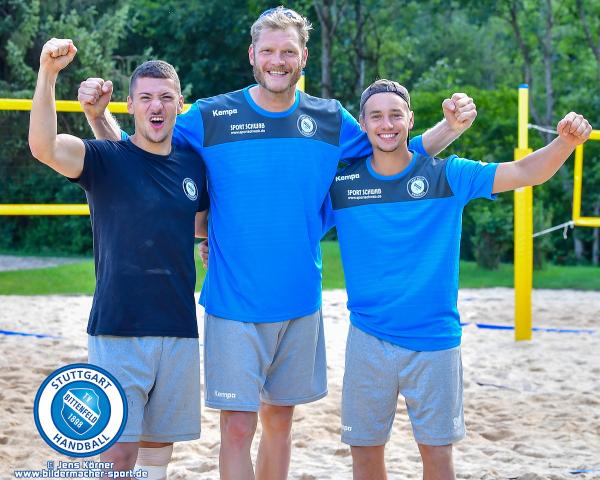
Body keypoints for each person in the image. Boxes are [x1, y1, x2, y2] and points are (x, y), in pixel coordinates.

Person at [77, 7, 476, 480]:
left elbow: (392, 151)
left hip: (299, 303)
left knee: (279, 424)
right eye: (268, 50)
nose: (277, 59)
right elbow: (139, 154)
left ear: (303, 56)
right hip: (233, 304)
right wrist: (97, 118)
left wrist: (448, 129)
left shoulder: (330, 119)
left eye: (288, 50)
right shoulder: (211, 115)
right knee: (238, 428)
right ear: (252, 55)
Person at [328, 79, 592, 480]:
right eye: (377, 116)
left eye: (396, 114)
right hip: (368, 338)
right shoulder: (342, 187)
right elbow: (290, 225)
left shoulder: (448, 174)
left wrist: (566, 143)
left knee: (437, 457)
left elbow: (525, 171)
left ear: (411, 120)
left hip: (434, 341)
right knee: (364, 454)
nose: (387, 124)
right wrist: (211, 242)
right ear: (362, 125)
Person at [29, 38, 209, 479]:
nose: (157, 105)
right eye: (146, 97)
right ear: (129, 104)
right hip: (118, 328)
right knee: (116, 457)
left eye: (166, 97)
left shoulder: (192, 167)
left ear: (180, 104)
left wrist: (212, 244)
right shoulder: (105, 159)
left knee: (156, 455)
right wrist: (48, 74)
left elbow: (201, 227)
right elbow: (44, 147)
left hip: (179, 329)